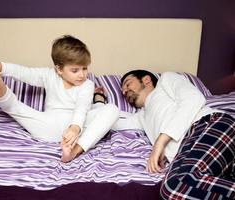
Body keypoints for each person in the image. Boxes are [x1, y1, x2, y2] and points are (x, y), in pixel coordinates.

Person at [0, 35, 119, 163]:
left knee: (112, 110)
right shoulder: (49, 75)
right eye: (75, 70)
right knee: (14, 107)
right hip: (48, 125)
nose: (82, 74)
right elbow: (24, 73)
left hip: (77, 128)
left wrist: (75, 127)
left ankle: (74, 152)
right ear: (59, 69)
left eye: (85, 68)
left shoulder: (87, 85)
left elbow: (82, 106)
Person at [96, 70, 234, 199]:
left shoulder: (166, 80)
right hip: (195, 152)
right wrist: (99, 98)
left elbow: (193, 99)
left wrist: (160, 142)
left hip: (209, 125)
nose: (124, 91)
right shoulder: (141, 117)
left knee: (175, 186)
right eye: (122, 91)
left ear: (146, 80)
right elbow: (106, 121)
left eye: (127, 84)